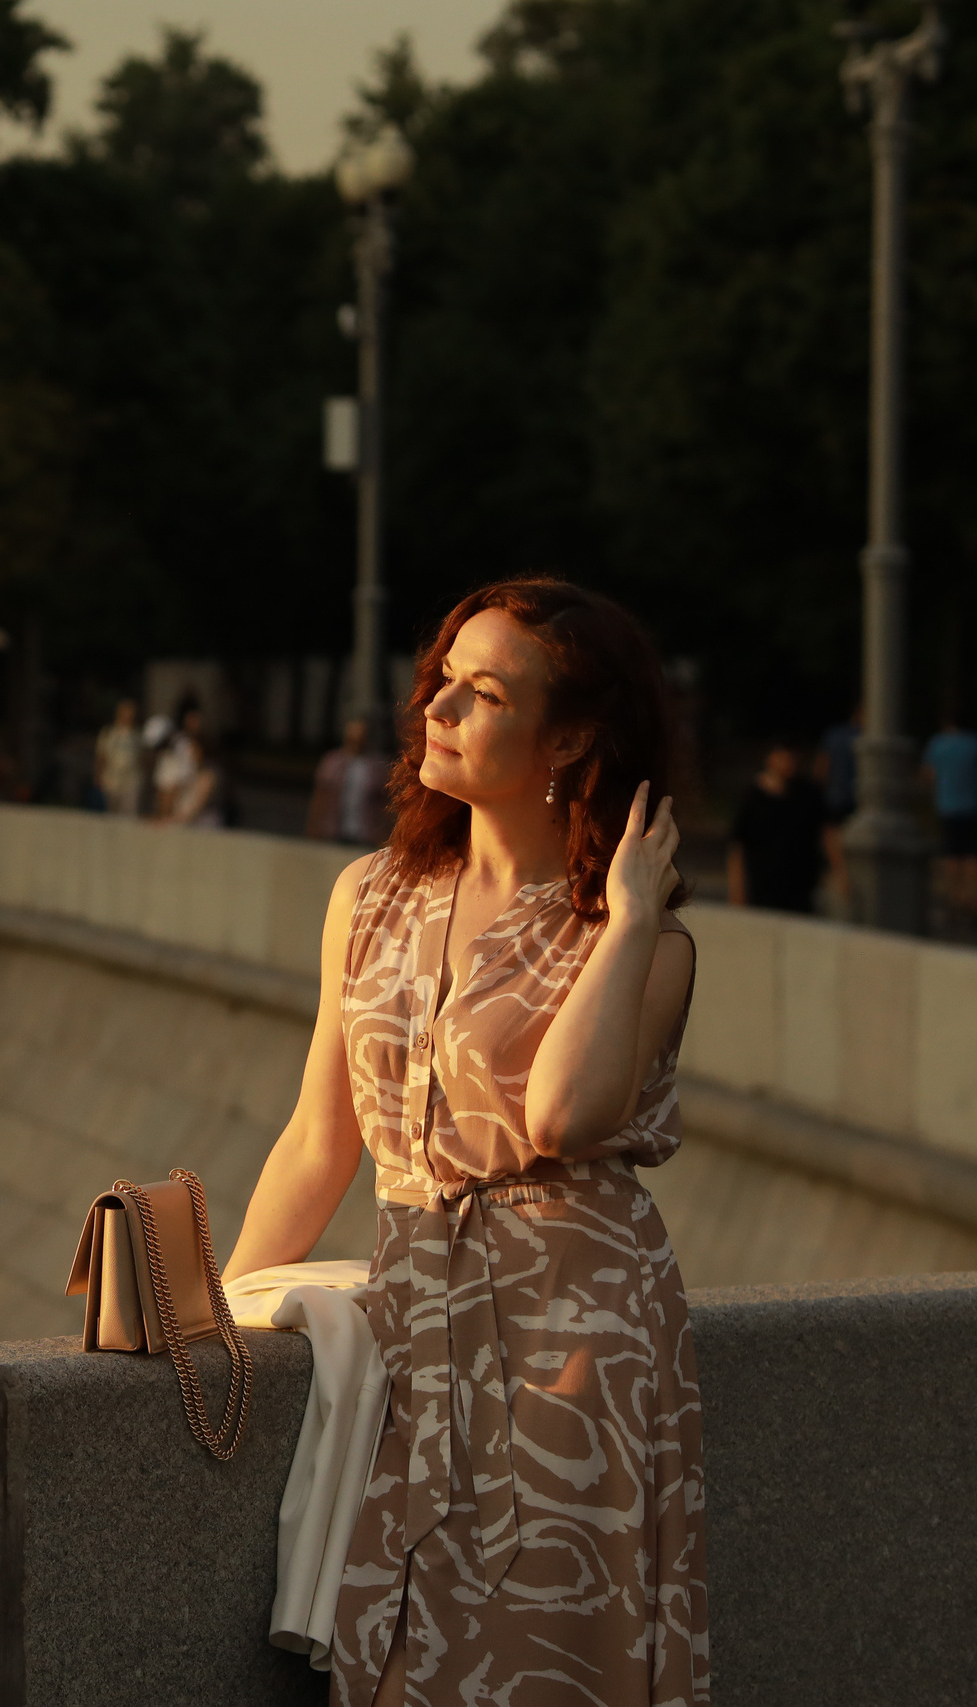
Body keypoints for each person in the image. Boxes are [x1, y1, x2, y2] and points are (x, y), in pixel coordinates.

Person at [227, 576, 707, 1707]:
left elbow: (560, 1119)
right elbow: (317, 1138)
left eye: (481, 693)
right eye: (441, 682)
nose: (435, 711)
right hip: (415, 1328)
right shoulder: (373, 893)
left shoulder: (645, 943)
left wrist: (630, 916)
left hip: (575, 1346)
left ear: (571, 739)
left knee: (546, 1667)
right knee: (401, 1660)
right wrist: (221, 1312)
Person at [727, 735, 826, 912]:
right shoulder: (752, 798)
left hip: (800, 889)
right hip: (763, 887)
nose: (788, 763)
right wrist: (737, 888)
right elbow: (738, 846)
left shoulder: (807, 794)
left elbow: (824, 832)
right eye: (783, 756)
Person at [923, 711, 977, 927]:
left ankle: (954, 899)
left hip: (947, 805)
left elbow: (929, 775)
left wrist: (942, 786)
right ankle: (972, 897)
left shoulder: (938, 744)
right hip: (973, 805)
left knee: (951, 856)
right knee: (972, 855)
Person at [307, 718, 388, 845]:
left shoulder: (377, 765)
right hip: (333, 831)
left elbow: (384, 803)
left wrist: (382, 834)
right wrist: (314, 827)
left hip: (365, 834)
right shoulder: (333, 761)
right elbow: (321, 796)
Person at [816, 707, 861, 907]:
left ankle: (839, 871)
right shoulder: (864, 736)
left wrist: (821, 786)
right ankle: (845, 874)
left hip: (836, 794)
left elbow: (822, 764)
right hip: (856, 795)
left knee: (832, 833)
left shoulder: (834, 735)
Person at [95, 698, 144, 815]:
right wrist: (98, 775)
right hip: (111, 779)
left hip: (131, 780)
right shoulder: (108, 733)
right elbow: (101, 756)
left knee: (129, 813)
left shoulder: (137, 735)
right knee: (111, 812)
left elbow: (142, 758)